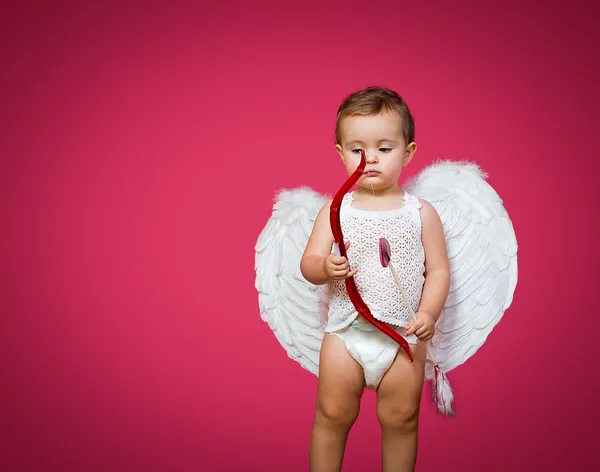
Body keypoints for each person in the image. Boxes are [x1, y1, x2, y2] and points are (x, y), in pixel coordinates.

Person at [300, 86, 451, 472]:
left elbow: (438, 270)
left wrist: (429, 314)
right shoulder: (335, 210)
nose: (370, 160)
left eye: (385, 148)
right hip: (345, 333)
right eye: (357, 150)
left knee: (402, 420)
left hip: (401, 335)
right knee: (331, 416)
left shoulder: (421, 213)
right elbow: (310, 262)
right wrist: (324, 267)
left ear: (408, 152)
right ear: (340, 153)